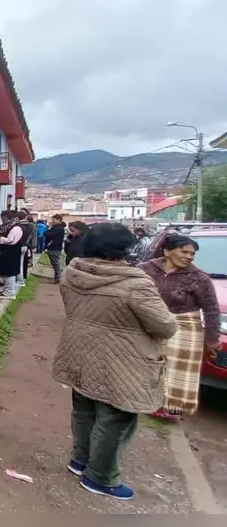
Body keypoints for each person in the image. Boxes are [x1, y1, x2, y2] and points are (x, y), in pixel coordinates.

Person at [52, 222, 178, 501]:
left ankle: (80, 460)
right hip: (121, 362)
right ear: (124, 250)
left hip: (78, 351)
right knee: (116, 418)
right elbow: (165, 326)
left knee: (84, 410)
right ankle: (101, 477)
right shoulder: (135, 283)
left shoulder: (73, 272)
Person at [140, 235, 222, 421]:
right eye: (184, 251)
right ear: (167, 251)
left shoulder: (199, 278)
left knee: (178, 367)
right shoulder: (145, 270)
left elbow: (211, 310)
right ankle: (146, 400)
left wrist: (212, 340)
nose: (189, 257)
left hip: (184, 326)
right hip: (151, 322)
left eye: (192, 254)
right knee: (149, 362)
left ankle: (171, 407)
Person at [0, 210, 26, 299]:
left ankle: (9, 292)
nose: (2, 221)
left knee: (9, 272)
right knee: (6, 272)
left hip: (11, 252)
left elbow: (11, 241)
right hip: (8, 252)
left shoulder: (16, 228)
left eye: (4, 219)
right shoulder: (10, 226)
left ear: (10, 218)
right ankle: (6, 290)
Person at [44, 214, 67, 282]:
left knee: (55, 263)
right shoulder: (57, 227)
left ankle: (58, 278)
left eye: (54, 219)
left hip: (54, 247)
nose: (52, 221)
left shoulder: (58, 228)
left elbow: (47, 233)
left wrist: (49, 229)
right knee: (54, 263)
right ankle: (57, 277)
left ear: (58, 220)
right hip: (54, 247)